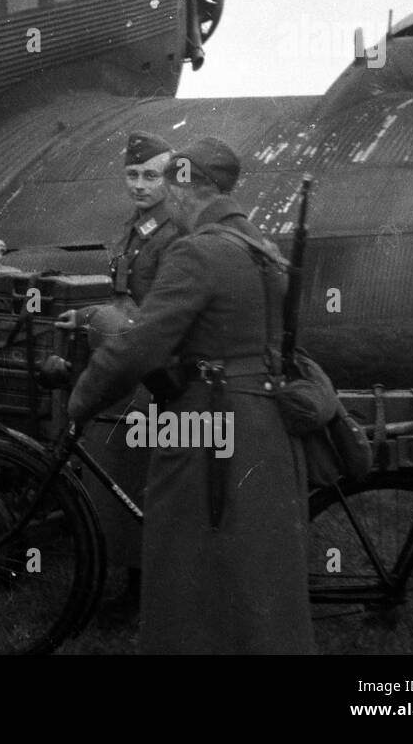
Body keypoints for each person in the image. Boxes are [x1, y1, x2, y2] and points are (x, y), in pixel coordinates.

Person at [66, 137, 314, 654]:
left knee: (187, 564)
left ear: (185, 184)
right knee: (252, 571)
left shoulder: (197, 251)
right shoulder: (257, 245)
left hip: (208, 424)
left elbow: (138, 345)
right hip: (260, 422)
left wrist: (80, 401)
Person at [81, 131, 187, 622]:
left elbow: (161, 314)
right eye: (132, 175)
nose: (140, 184)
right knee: (120, 474)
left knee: (139, 481)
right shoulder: (138, 226)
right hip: (130, 363)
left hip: (152, 371)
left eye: (151, 175)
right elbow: (124, 296)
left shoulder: (175, 233)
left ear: (170, 176)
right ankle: (132, 579)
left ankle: (143, 590)